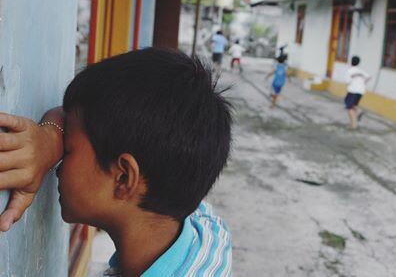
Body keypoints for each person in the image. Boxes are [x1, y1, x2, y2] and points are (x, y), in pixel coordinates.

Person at [0, 48, 232, 277]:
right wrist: (48, 139)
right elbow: (69, 114)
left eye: (67, 149)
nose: (57, 168)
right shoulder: (205, 233)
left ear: (123, 177)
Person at [345, 55, 370, 129]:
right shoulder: (360, 71)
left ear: (351, 62)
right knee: (353, 105)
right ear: (358, 63)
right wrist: (364, 82)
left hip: (353, 91)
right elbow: (369, 76)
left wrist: (353, 80)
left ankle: (354, 125)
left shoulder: (349, 71)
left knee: (349, 108)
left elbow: (347, 81)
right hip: (360, 91)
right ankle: (359, 111)